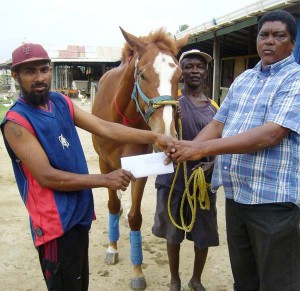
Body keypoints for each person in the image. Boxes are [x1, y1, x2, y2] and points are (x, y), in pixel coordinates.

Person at [0, 43, 174, 291]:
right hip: (54, 225)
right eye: (29, 72)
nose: (39, 78)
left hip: (80, 213)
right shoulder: (16, 123)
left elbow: (105, 127)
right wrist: (105, 179)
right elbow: (47, 177)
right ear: (15, 76)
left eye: (44, 69)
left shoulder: (60, 102)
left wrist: (155, 137)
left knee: (80, 283)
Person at [168, 10, 300, 291]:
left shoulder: (295, 81)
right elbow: (218, 124)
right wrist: (187, 147)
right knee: (244, 278)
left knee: (277, 282)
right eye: (264, 35)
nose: (269, 41)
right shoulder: (244, 80)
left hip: (273, 203)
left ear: (292, 42)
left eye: (279, 36)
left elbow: (271, 134)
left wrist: (200, 148)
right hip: (237, 199)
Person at [152, 49, 219, 291]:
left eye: (199, 67)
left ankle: (196, 279)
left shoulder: (214, 108)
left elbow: (221, 142)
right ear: (180, 74)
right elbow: (157, 138)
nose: (194, 70)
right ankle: (175, 280)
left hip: (202, 182)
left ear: (206, 72)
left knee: (203, 235)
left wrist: (211, 165)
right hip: (174, 181)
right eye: (188, 66)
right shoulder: (171, 104)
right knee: (173, 234)